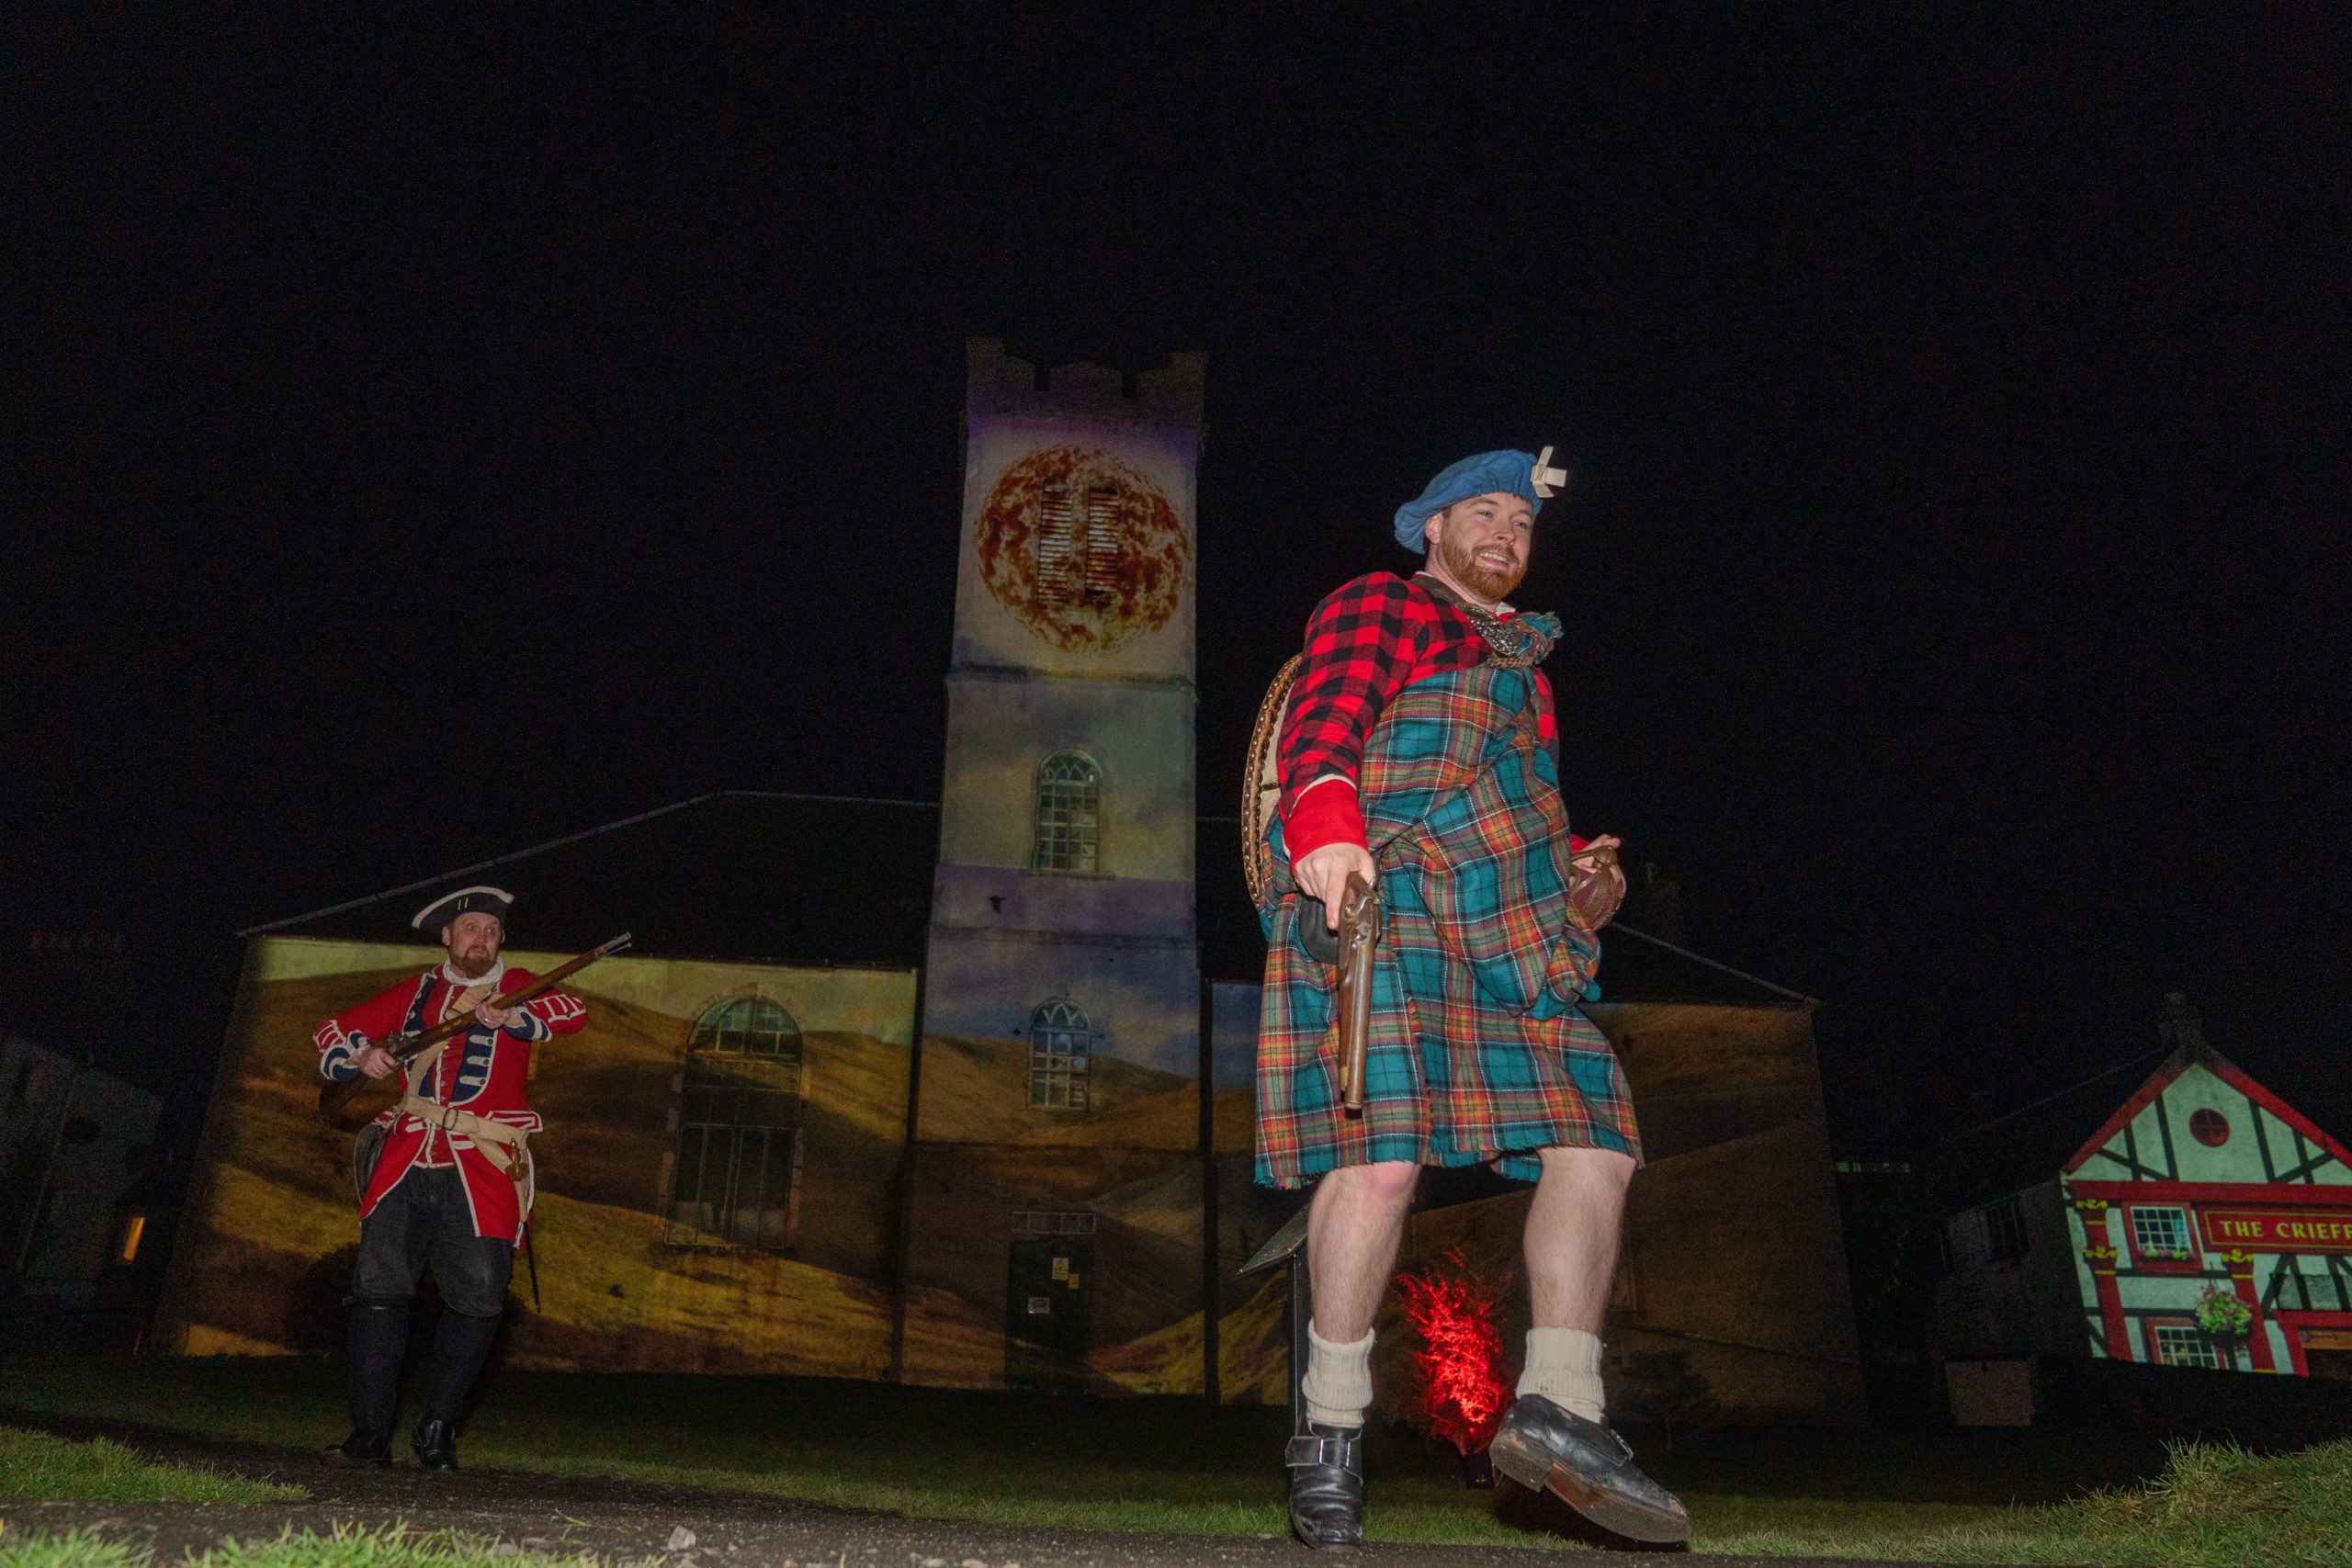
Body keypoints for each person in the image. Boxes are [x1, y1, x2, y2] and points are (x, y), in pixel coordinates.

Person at [1256, 449, 1687, 1547]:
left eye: (1523, 524)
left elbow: (1513, 813)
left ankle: (1559, 1410)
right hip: (1386, 891)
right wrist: (1324, 832)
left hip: (1505, 931)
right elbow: (1327, 721)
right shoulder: (1378, 606)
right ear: (1430, 526)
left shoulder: (1527, 672)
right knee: (1380, 1163)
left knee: (1599, 1133)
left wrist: (1580, 884)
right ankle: (1331, 1429)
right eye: (1482, 512)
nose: (1505, 535)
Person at [314, 886, 585, 1471]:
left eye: (491, 930)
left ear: (501, 940)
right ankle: (369, 1436)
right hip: (407, 1157)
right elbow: (331, 1033)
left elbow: (572, 1013)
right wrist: (363, 1058)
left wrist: (516, 1016)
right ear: (447, 937)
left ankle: (437, 1430)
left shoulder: (520, 985)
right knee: (378, 1290)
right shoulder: (416, 993)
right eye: (469, 929)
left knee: (482, 1297)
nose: (480, 939)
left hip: (484, 1164)